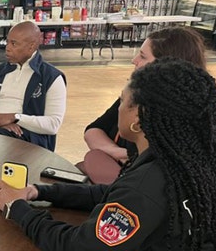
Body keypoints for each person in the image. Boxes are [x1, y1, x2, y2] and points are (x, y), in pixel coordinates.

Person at [0, 58, 216, 250]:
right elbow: (111, 194)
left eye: (122, 101)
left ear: (138, 120)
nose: (118, 108)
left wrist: (17, 209)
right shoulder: (184, 162)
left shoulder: (144, 188)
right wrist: (39, 191)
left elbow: (78, 247)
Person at [82, 27, 207, 183]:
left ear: (167, 64)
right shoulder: (136, 94)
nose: (134, 60)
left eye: (142, 56)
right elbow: (93, 130)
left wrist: (130, 158)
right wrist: (121, 153)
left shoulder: (183, 122)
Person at [0, 21, 66, 151]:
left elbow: (53, 125)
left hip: (27, 138)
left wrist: (15, 118)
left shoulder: (51, 77)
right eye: (7, 42)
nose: (7, 48)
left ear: (32, 46)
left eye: (14, 44)